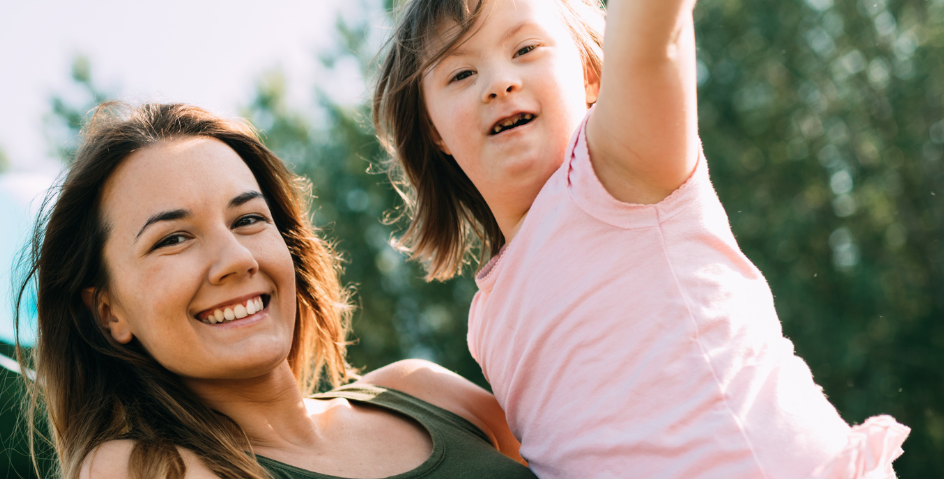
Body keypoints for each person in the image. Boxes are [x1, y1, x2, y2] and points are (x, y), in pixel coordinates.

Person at [370, 0, 910, 477]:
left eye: (527, 47)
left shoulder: (616, 168)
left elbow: (654, 41)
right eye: (460, 74)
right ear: (434, 128)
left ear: (590, 73)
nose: (498, 81)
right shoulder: (486, 323)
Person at [17, 102, 536, 478]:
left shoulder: (425, 392)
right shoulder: (140, 469)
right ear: (109, 313)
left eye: (247, 219)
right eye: (173, 238)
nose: (237, 260)